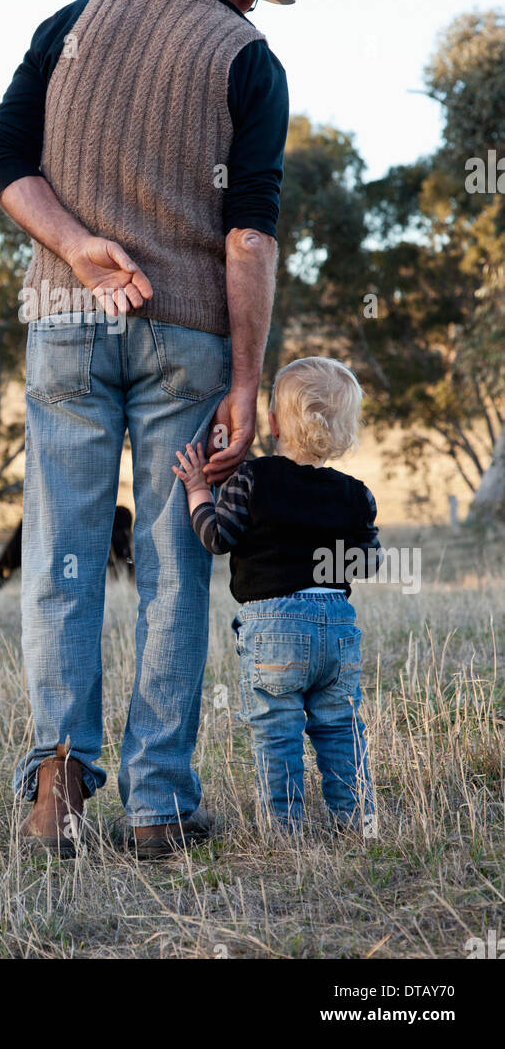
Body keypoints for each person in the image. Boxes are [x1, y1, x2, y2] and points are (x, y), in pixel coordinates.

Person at [0, 0, 293, 858]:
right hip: (187, 337)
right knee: (170, 569)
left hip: (68, 320)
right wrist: (245, 381)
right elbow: (245, 232)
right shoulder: (246, 60)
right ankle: (157, 805)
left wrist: (75, 248)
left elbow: (1, 161)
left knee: (62, 564)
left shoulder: (73, 20)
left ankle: (56, 791)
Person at [173, 356, 381, 833]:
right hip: (336, 624)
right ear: (345, 430)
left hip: (273, 629)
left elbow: (216, 537)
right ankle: (359, 821)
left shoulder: (253, 479)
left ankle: (284, 829)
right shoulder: (356, 494)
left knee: (277, 732)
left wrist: (197, 488)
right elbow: (368, 562)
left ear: (271, 422)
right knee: (341, 729)